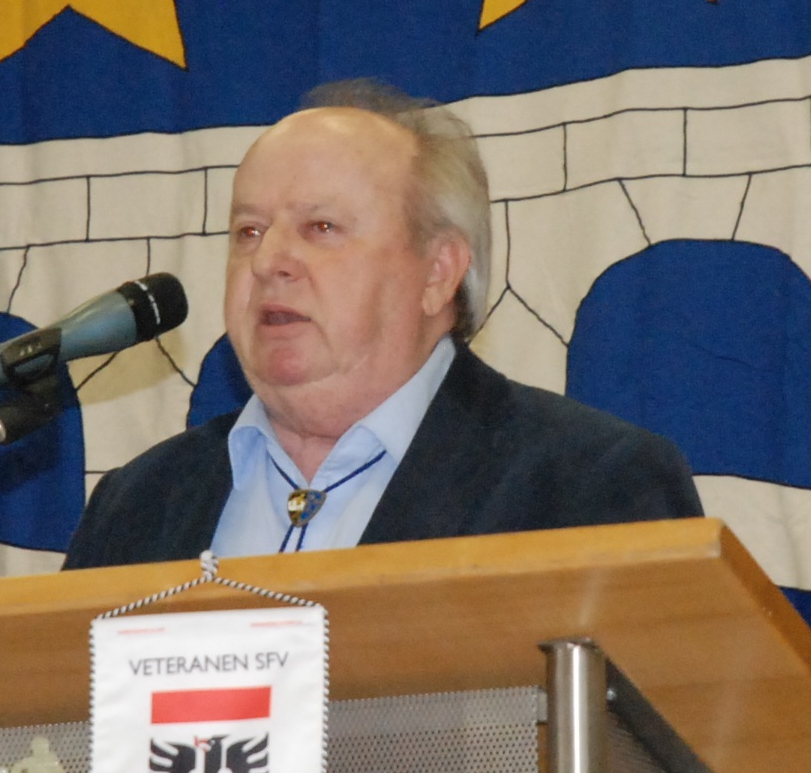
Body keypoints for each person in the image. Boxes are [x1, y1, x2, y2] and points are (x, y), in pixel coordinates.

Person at [63, 80, 701, 569]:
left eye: (321, 228)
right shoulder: (136, 505)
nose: (268, 261)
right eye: (249, 231)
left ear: (438, 272)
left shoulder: (588, 487)